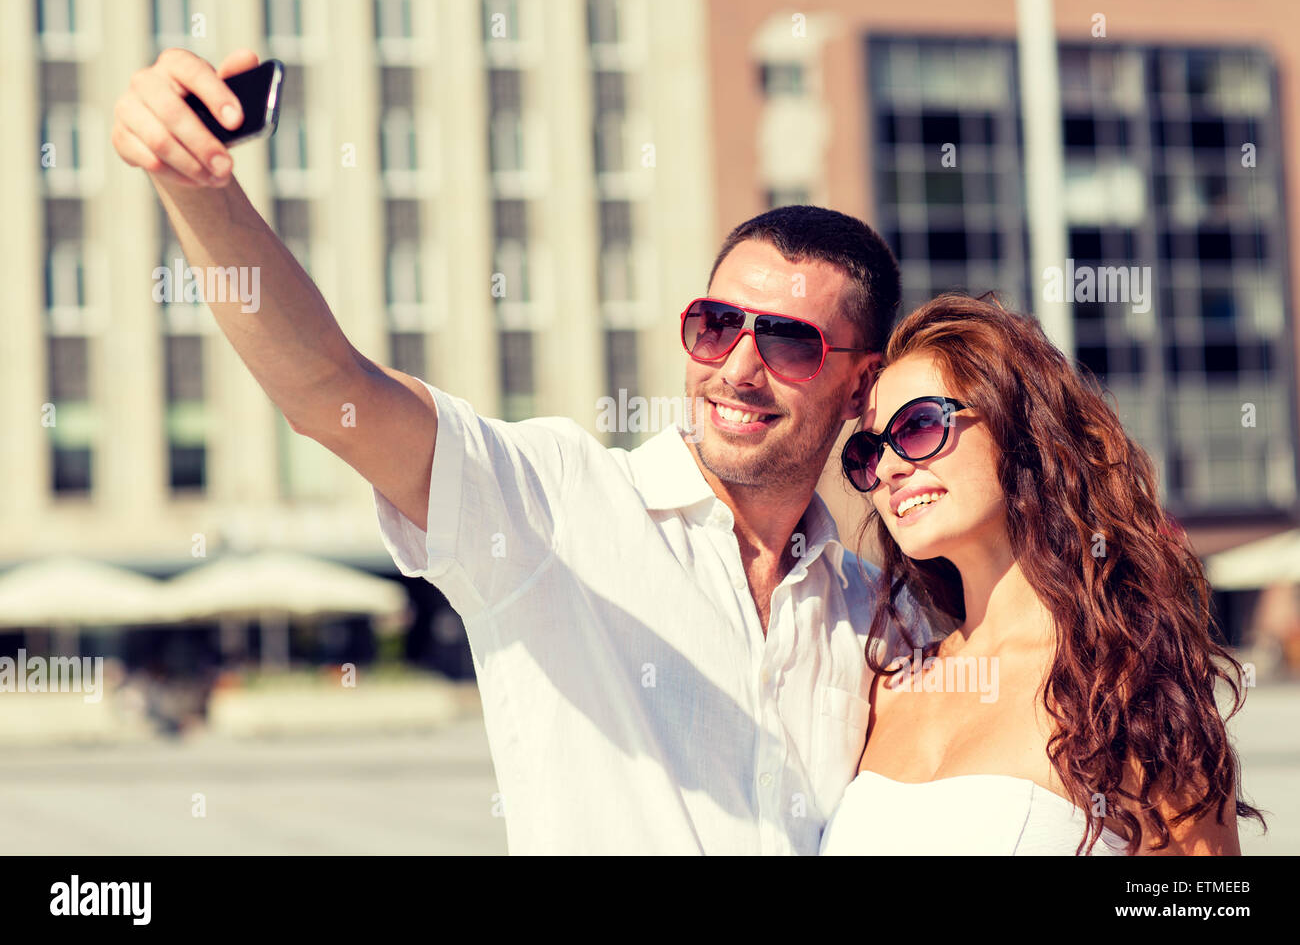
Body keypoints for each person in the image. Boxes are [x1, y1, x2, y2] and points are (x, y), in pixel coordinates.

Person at [111, 48, 930, 854]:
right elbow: (330, 389)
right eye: (716, 326)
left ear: (861, 388)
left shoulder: (880, 616)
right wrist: (199, 193)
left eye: (789, 344)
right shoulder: (559, 504)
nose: (738, 368)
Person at [820, 293, 1266, 855]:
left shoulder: (1121, 688)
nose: (886, 468)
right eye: (866, 451)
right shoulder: (884, 685)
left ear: (1020, 430)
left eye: (918, 427)